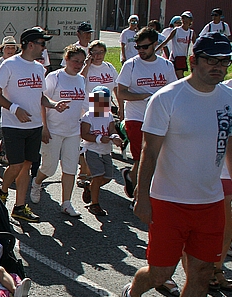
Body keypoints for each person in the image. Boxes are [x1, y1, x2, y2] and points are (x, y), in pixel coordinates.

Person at [120, 32, 232, 297]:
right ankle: (133, 294)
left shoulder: (228, 98)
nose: (219, 67)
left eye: (224, 61)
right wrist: (142, 196)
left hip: (210, 202)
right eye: (211, 60)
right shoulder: (168, 98)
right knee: (160, 272)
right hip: (168, 201)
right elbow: (149, 151)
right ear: (193, 60)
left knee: (200, 273)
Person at [0, 27, 70, 223]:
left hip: (33, 126)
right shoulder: (9, 65)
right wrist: (15, 108)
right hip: (13, 125)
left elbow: (40, 96)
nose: (44, 48)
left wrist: (53, 105)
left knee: (26, 166)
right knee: (15, 165)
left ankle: (19, 207)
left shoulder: (38, 68)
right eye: (42, 44)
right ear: (30, 44)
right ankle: (2, 190)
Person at [117, 27, 177, 202]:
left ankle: (131, 178)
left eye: (144, 47)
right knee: (141, 159)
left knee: (156, 158)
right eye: (138, 47)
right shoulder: (131, 65)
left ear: (155, 44)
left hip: (160, 119)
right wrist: (143, 96)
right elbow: (121, 93)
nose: (141, 51)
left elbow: (173, 92)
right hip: (136, 118)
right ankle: (139, 197)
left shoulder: (166, 65)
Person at [30, 44, 86, 217]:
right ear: (66, 59)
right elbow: (42, 102)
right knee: (49, 168)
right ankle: (37, 182)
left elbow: (85, 105)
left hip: (73, 131)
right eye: (75, 61)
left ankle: (66, 203)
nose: (78, 65)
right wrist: (44, 128)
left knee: (70, 168)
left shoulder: (81, 79)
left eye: (82, 62)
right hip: (53, 130)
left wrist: (100, 120)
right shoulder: (55, 77)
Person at [79, 86, 122, 216]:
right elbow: (84, 135)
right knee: (97, 177)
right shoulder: (88, 116)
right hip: (92, 151)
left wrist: (116, 137)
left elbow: (112, 130)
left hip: (106, 151)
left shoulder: (108, 116)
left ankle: (90, 188)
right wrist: (98, 138)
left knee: (107, 177)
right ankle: (94, 204)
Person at [157, 11, 196, 78]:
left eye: (187, 18)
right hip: (174, 58)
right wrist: (155, 51)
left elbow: (195, 46)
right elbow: (165, 42)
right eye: (183, 18)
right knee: (174, 77)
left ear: (191, 20)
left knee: (179, 77)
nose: (185, 20)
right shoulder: (176, 30)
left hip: (183, 59)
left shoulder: (191, 33)